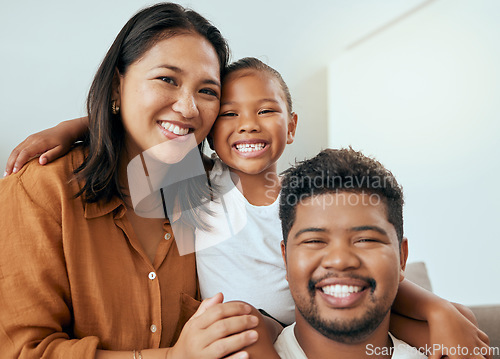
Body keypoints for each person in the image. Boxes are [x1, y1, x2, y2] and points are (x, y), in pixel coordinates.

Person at [3, 57, 492, 358]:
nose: (249, 125)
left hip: (318, 317)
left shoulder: (307, 192)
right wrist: (73, 129)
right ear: (211, 127)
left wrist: (435, 307)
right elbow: (135, 130)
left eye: (267, 111)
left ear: (292, 124)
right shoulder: (192, 183)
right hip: (256, 331)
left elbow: (361, 258)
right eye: (230, 113)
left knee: (452, 328)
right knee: (245, 322)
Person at [0, 3, 263, 359]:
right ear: (115, 86)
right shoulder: (40, 190)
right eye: (167, 79)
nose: (189, 108)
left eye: (208, 91)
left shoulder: (216, 191)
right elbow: (23, 351)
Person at [275, 148, 491, 359]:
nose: (340, 260)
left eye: (366, 240)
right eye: (314, 241)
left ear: (402, 258)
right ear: (285, 259)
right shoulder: (252, 347)